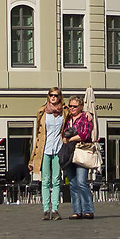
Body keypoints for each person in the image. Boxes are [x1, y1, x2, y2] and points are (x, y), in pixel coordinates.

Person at [63, 96, 97, 219]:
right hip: (69, 153)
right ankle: (77, 210)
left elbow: (84, 134)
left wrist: (70, 138)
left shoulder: (85, 118)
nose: (72, 108)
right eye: (70, 106)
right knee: (72, 183)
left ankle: (88, 210)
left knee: (82, 182)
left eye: (74, 106)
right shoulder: (68, 119)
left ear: (81, 107)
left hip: (82, 152)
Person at [38, 90, 69, 220]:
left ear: (59, 97)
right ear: (48, 97)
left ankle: (55, 209)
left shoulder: (64, 111)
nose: (53, 97)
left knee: (56, 180)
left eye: (56, 95)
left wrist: (88, 115)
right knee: (45, 180)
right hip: (44, 149)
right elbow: (38, 132)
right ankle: (46, 209)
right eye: (51, 95)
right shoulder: (43, 111)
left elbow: (75, 112)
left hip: (58, 149)